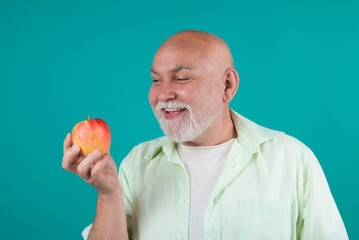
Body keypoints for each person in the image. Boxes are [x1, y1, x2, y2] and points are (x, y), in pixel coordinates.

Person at [62, 30, 348, 240]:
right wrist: (108, 193)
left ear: (228, 85)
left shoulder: (292, 159)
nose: (163, 94)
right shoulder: (138, 163)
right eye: (155, 80)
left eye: (181, 78)